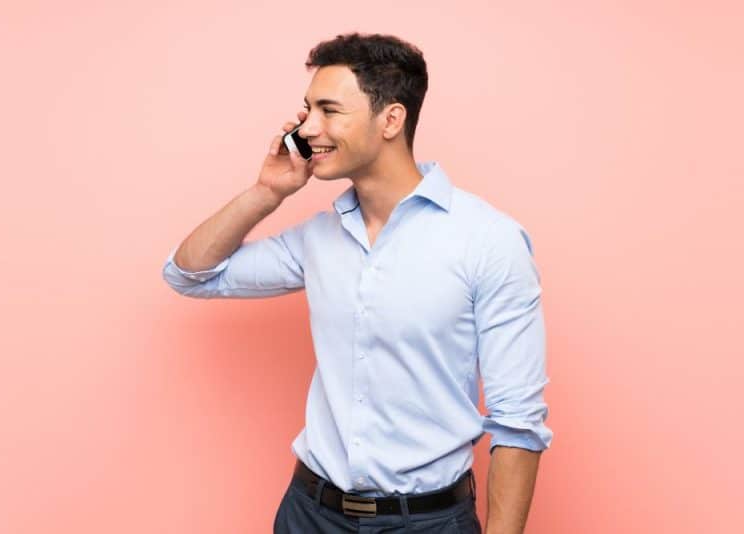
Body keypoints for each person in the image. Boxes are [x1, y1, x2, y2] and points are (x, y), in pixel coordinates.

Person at [162, 32, 552, 534]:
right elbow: (191, 274)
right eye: (308, 110)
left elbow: (517, 423)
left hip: (427, 523)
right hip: (309, 515)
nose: (308, 128)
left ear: (391, 119)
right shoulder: (319, 238)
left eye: (329, 110)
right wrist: (267, 192)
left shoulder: (488, 240)